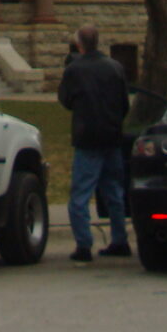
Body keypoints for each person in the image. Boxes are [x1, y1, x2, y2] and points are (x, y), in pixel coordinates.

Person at [57, 22, 131, 263]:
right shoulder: (115, 67)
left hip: (87, 137)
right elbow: (124, 103)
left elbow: (65, 100)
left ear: (79, 45)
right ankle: (120, 240)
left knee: (80, 195)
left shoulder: (74, 70)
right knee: (114, 192)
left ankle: (84, 244)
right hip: (112, 136)